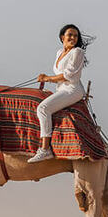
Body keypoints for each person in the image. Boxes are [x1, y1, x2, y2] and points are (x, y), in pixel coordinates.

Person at [27, 24, 90, 163]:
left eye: (75, 36)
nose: (73, 38)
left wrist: (47, 78)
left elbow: (68, 75)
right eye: (70, 35)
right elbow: (59, 75)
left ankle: (45, 149)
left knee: (43, 108)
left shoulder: (77, 52)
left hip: (72, 90)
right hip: (61, 88)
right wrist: (46, 78)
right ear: (63, 37)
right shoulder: (58, 53)